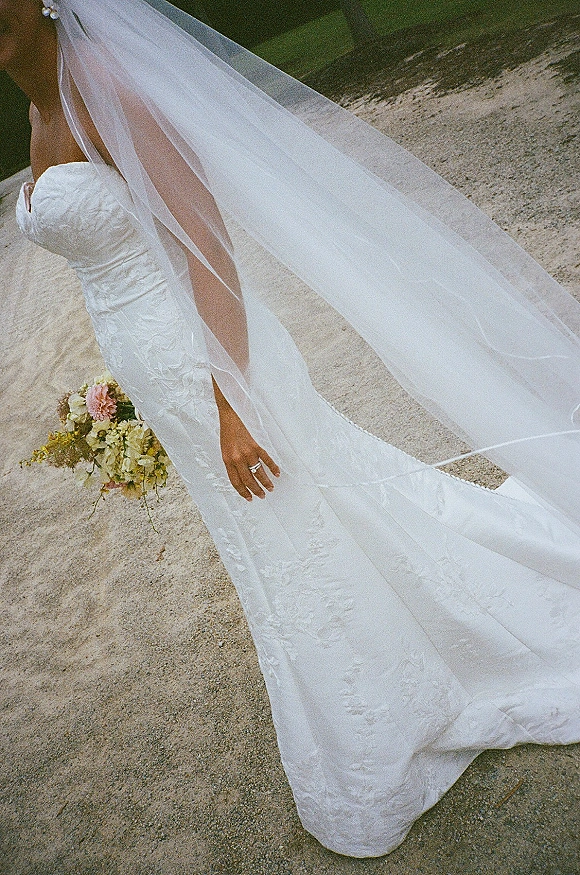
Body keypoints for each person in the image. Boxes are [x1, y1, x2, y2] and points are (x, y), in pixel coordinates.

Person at [4, 0, 580, 858]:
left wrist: (229, 398)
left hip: (212, 364)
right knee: (281, 525)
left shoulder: (106, 83)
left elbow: (203, 238)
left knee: (291, 517)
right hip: (158, 367)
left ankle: (394, 701)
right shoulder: (36, 100)